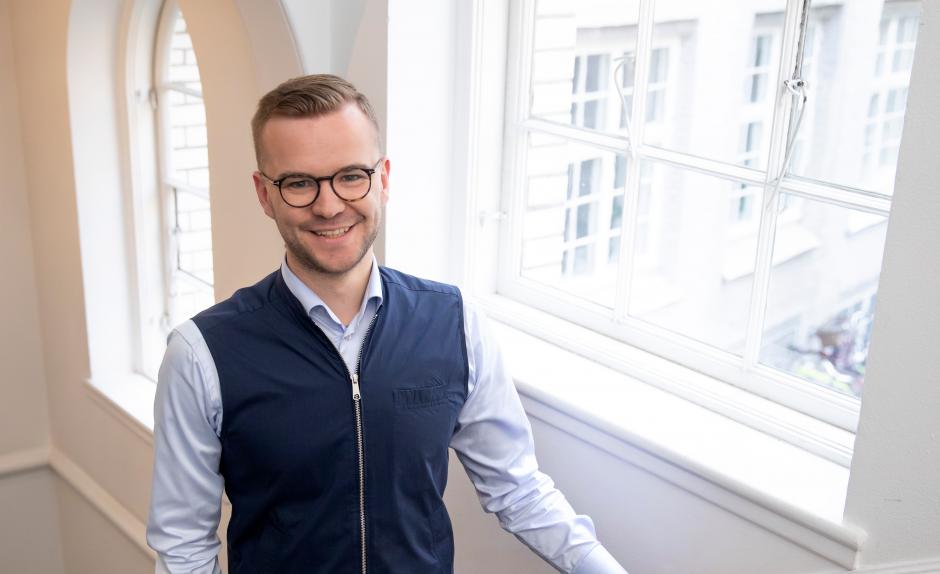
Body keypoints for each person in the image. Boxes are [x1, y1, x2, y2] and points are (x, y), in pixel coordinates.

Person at [146, 74, 626, 574]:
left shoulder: (456, 323)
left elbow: (519, 490)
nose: (329, 205)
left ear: (384, 179)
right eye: (299, 183)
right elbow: (184, 548)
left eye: (351, 175)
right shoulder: (202, 354)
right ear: (265, 195)